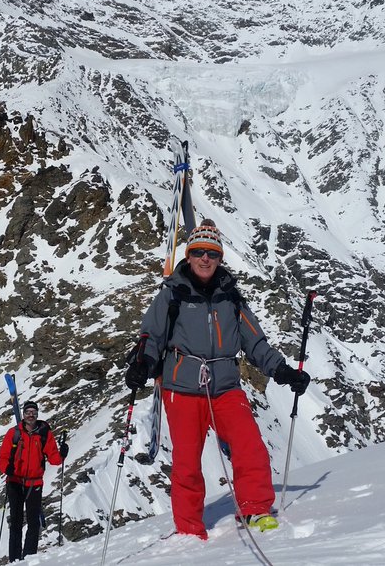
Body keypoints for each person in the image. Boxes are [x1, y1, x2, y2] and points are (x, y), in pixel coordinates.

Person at [126, 219, 311, 539]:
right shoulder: (172, 294)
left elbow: (255, 343)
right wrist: (142, 363)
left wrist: (282, 371)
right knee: (186, 463)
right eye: (198, 251)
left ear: (220, 257)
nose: (204, 258)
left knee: (249, 445)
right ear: (188, 254)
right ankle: (189, 529)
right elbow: (151, 336)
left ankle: (255, 509)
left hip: (225, 386)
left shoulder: (232, 298)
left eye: (211, 253)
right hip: (181, 389)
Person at [0, 400, 68, 562]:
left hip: (34, 483)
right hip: (14, 481)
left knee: (33, 523)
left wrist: (62, 453)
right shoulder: (13, 433)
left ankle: (28, 559)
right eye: (28, 412)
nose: (31, 415)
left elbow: (54, 459)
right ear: (23, 414)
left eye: (33, 412)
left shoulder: (44, 433)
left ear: (37, 414)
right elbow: (3, 457)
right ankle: (15, 560)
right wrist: (6, 468)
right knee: (15, 523)